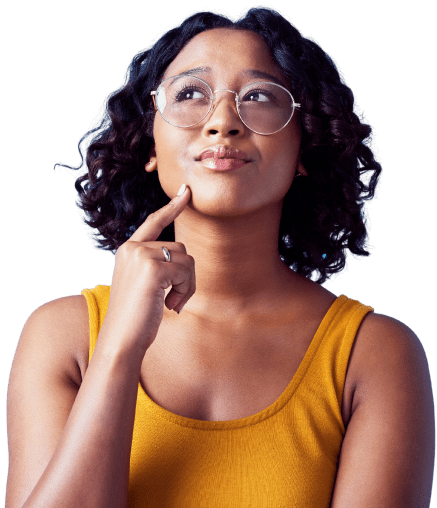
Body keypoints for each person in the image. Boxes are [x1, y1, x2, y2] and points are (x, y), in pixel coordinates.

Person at [5, 6, 434, 508]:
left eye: (259, 96)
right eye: (190, 94)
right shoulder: (62, 334)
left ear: (304, 148)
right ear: (149, 141)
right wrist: (120, 348)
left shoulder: (374, 353)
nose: (223, 121)